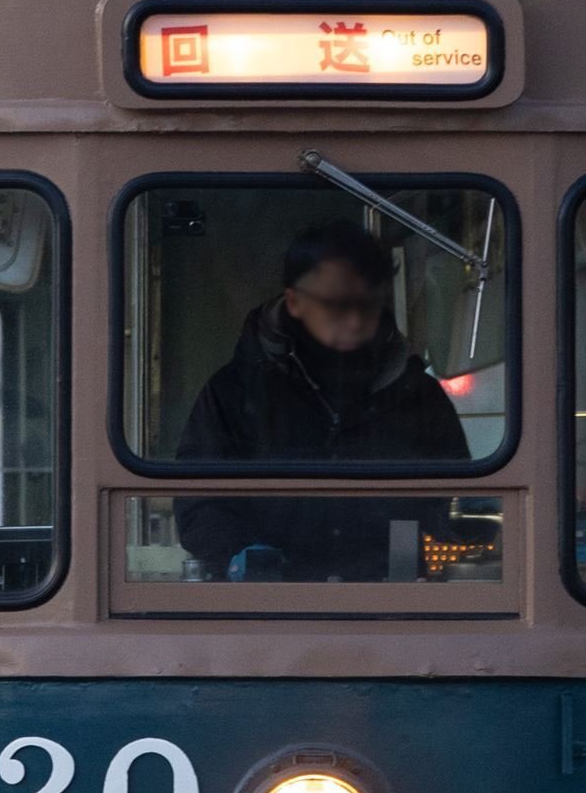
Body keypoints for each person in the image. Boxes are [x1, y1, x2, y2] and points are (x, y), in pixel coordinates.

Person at [174, 217, 470, 581]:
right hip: (265, 608)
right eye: (336, 301)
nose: (354, 317)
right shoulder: (232, 393)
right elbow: (198, 501)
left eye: (367, 299)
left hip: (391, 604)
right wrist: (239, 553)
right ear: (294, 301)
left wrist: (440, 545)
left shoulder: (418, 396)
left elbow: (456, 499)